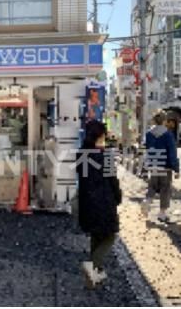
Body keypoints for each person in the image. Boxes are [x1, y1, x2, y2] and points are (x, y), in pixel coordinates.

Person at [76, 120, 122, 289]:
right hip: (104, 201)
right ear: (100, 136)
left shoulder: (81, 154)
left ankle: (94, 277)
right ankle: (93, 266)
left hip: (87, 202)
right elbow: (113, 182)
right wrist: (118, 198)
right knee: (110, 235)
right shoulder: (106, 156)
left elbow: (83, 178)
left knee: (96, 236)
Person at [141, 111, 180, 223]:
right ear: (164, 121)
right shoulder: (168, 134)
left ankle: (147, 201)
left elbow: (146, 149)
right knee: (165, 189)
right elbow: (172, 153)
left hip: (153, 165)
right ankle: (162, 214)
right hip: (165, 167)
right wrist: (176, 169)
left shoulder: (148, 134)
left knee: (152, 186)